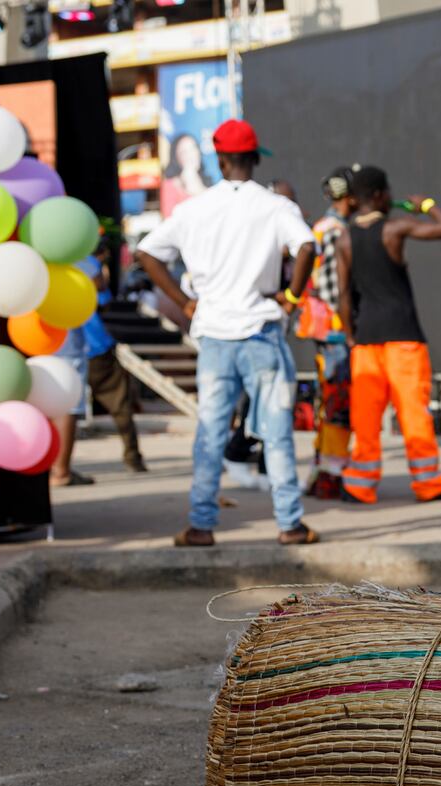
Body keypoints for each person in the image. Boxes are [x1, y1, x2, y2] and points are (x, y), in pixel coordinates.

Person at [135, 118, 320, 547]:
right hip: (261, 330)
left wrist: (183, 302)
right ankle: (289, 524)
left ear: (219, 160)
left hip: (215, 334)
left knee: (211, 432)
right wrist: (291, 296)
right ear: (254, 158)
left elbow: (146, 253)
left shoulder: (193, 208)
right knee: (275, 433)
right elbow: (308, 246)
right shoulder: (275, 206)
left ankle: (201, 525)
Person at [338, 166, 441, 504]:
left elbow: (344, 296)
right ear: (378, 195)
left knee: (365, 418)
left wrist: (350, 336)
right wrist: (427, 204)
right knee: (413, 413)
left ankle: (359, 485)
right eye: (387, 191)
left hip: (365, 340)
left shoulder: (345, 238)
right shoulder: (394, 227)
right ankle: (428, 484)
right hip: (403, 337)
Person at [50, 254, 146, 485]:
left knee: (53, 407)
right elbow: (103, 297)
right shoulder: (83, 259)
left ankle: (53, 468)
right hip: (88, 345)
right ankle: (132, 457)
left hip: (48, 343)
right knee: (117, 404)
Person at [296, 166, 357, 499]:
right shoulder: (335, 230)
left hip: (324, 328)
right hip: (335, 330)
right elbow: (336, 289)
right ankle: (329, 476)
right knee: (338, 404)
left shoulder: (324, 227)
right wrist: (351, 329)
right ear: (350, 197)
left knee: (329, 403)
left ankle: (321, 471)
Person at [160, 133, 211, 215]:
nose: (191, 155)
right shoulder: (170, 185)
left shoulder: (207, 180)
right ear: (176, 158)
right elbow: (170, 218)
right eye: (184, 152)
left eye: (193, 148)